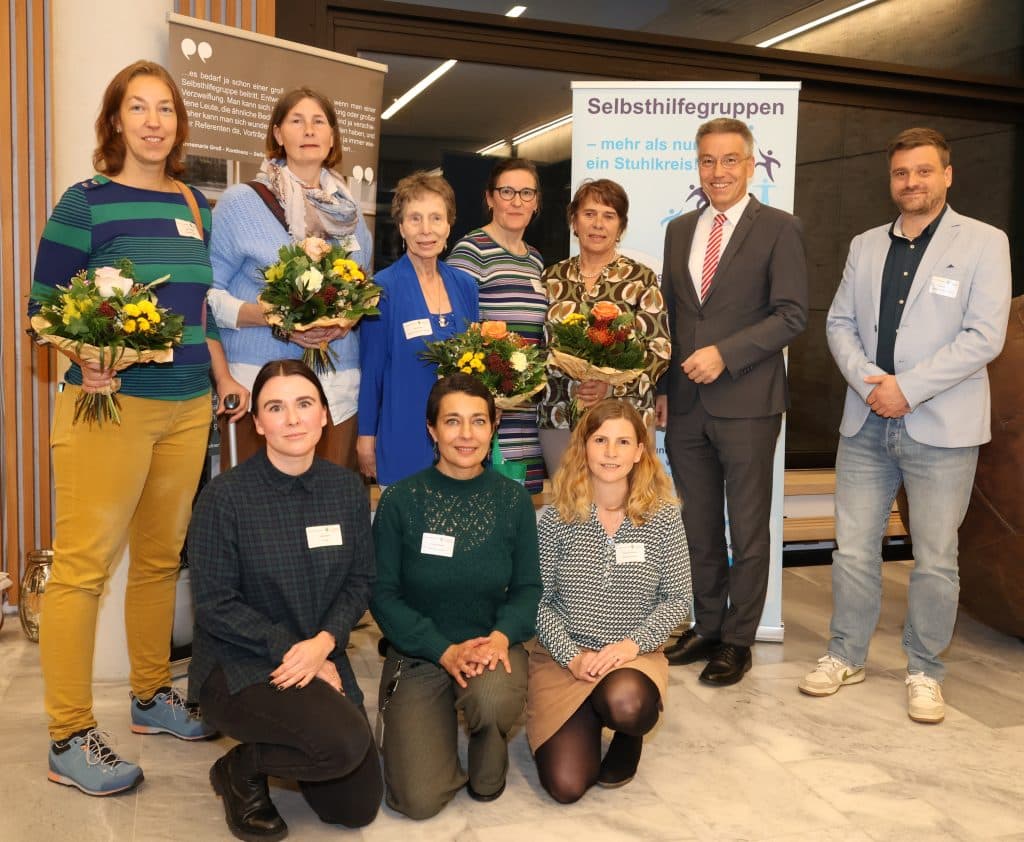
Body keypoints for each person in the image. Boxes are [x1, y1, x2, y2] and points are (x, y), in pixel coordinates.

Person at [30, 60, 247, 797]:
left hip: (188, 407)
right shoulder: (83, 203)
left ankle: (152, 698)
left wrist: (221, 378)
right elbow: (44, 307)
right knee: (82, 571)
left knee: (159, 561)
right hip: (108, 408)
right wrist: (83, 356)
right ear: (115, 121)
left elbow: (198, 307)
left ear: (178, 124)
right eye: (138, 108)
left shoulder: (195, 201)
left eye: (166, 109)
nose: (154, 121)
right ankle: (66, 735)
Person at [799, 128, 1011, 723]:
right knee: (854, 550)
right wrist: (870, 381)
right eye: (901, 174)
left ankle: (925, 668)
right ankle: (846, 654)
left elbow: (984, 336)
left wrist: (907, 389)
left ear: (947, 175)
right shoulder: (865, 245)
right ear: (890, 180)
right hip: (865, 421)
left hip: (941, 425)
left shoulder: (985, 243)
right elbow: (838, 322)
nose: (911, 183)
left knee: (937, 558)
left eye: (923, 171)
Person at [188, 359, 382, 837]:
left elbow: (360, 580)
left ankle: (259, 756)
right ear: (257, 422)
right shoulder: (225, 497)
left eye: (303, 404)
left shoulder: (346, 489)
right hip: (240, 664)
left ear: (323, 416)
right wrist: (300, 653)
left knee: (354, 807)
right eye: (276, 407)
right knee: (340, 744)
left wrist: (322, 645)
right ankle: (243, 769)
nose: (292, 419)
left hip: (319, 651)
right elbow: (216, 604)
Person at [657, 117, 808, 686]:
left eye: (728, 160)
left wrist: (726, 352)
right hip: (688, 405)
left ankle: (738, 640)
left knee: (746, 527)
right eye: (706, 161)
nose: (717, 172)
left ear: (750, 165)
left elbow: (792, 314)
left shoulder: (780, 228)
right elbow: (673, 319)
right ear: (697, 166)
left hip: (748, 400)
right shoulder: (678, 231)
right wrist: (663, 391)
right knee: (697, 525)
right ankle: (708, 625)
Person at [370, 374, 541, 819]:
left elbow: (527, 589)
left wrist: (502, 637)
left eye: (478, 421)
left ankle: (488, 742)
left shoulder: (514, 501)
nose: (466, 435)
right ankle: (429, 727)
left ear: (494, 425)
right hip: (421, 652)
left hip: (490, 649)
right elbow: (382, 594)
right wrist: (441, 649)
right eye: (452, 421)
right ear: (432, 429)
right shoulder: (400, 501)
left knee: (491, 699)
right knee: (418, 800)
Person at [528, 399, 691, 803]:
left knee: (627, 704)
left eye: (623, 441)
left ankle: (626, 734)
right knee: (566, 786)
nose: (611, 452)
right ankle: (582, 711)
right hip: (564, 658)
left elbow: (678, 600)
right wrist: (573, 657)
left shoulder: (663, 517)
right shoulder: (556, 517)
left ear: (640, 451)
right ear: (583, 446)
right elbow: (538, 602)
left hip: (631, 655)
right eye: (600, 440)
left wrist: (628, 646)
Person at [209, 86, 373, 471]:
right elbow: (208, 296)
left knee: (328, 516)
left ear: (332, 136)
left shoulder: (349, 211)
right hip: (258, 388)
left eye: (319, 122)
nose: (309, 130)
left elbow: (363, 289)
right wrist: (269, 315)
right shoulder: (240, 202)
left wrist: (348, 318)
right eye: (297, 121)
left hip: (336, 388)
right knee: (255, 516)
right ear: (278, 134)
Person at [538, 178, 670, 474]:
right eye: (589, 214)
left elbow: (659, 350)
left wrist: (610, 385)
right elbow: (537, 349)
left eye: (609, 216)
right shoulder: (551, 279)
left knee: (625, 512)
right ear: (574, 221)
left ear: (621, 227)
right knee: (571, 511)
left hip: (626, 418)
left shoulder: (641, 279)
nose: (598, 224)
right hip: (560, 415)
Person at [357, 172, 480, 485]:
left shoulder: (466, 286)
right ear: (401, 227)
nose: (426, 230)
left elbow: (478, 365)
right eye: (415, 219)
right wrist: (365, 436)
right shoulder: (382, 288)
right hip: (403, 436)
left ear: (449, 225)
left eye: (436, 218)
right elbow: (372, 371)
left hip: (461, 441)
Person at [448, 158, 548, 494]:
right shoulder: (471, 250)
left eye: (526, 193)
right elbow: (456, 335)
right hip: (487, 410)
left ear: (536, 202)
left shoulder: (534, 258)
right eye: (507, 192)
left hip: (527, 411)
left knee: (523, 502)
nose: (516, 201)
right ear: (490, 198)